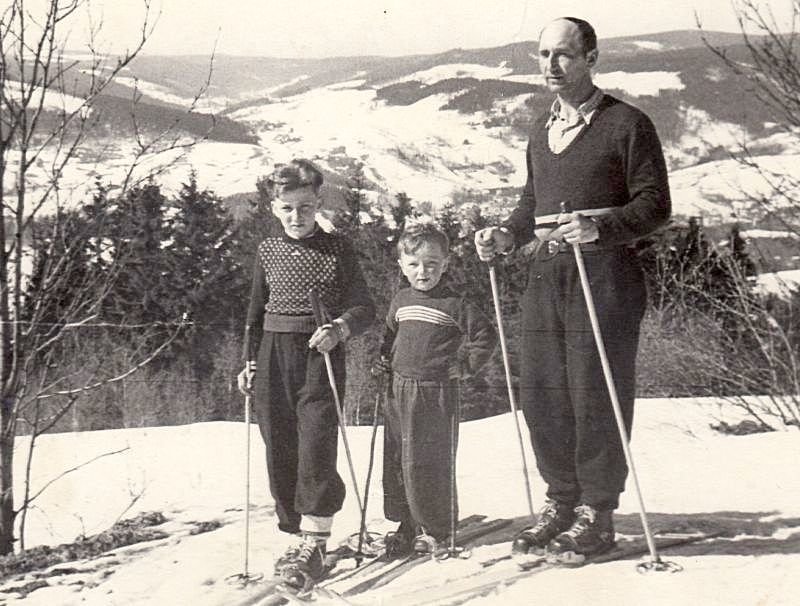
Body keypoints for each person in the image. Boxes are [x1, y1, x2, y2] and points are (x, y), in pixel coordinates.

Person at [474, 17, 671, 564]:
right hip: (548, 273)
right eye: (542, 56)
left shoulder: (626, 123)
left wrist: (602, 228)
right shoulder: (542, 129)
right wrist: (504, 235)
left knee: (594, 393)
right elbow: (530, 203)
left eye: (563, 55)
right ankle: (561, 502)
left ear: (591, 58)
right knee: (543, 393)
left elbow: (655, 204)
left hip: (604, 274)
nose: (551, 66)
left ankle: (596, 512)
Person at [237, 159, 375, 586]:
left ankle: (316, 539)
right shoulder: (268, 249)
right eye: (288, 208)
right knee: (278, 441)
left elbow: (364, 308)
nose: (297, 217)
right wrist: (248, 361)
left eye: (306, 207)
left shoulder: (338, 249)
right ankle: (297, 535)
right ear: (274, 207)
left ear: (318, 203)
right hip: (272, 354)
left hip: (319, 354)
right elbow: (255, 312)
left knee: (315, 441)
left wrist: (339, 329)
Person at [374, 223, 496, 556]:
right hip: (398, 389)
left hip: (434, 392)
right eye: (414, 263)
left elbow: (485, 336)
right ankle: (406, 521)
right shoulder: (400, 300)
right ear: (402, 265)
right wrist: (383, 360)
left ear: (445, 264)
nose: (423, 271)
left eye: (431, 263)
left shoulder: (455, 304)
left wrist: (466, 366)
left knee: (427, 459)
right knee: (398, 459)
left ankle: (435, 526)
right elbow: (389, 336)